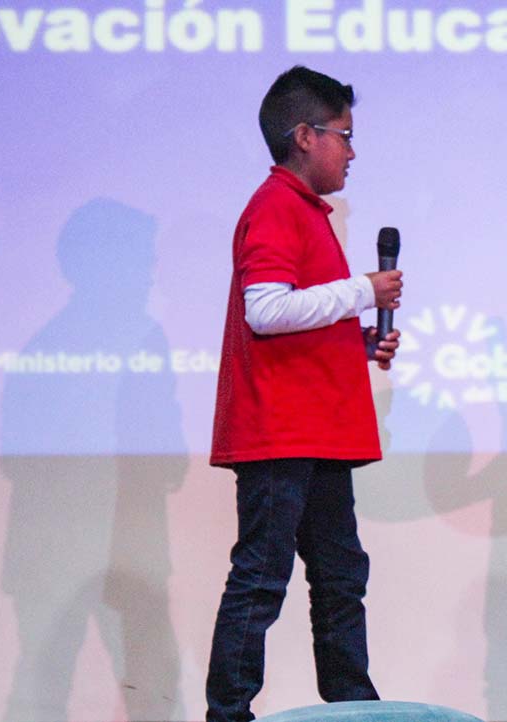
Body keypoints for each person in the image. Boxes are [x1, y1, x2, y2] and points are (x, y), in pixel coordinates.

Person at [205, 65, 403, 722]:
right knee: (261, 578)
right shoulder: (274, 207)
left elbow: (294, 321)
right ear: (303, 136)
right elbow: (266, 309)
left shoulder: (306, 212)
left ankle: (353, 703)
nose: (351, 151)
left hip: (317, 430)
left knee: (342, 576)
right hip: (279, 432)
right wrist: (362, 293)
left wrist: (357, 340)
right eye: (343, 135)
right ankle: (228, 713)